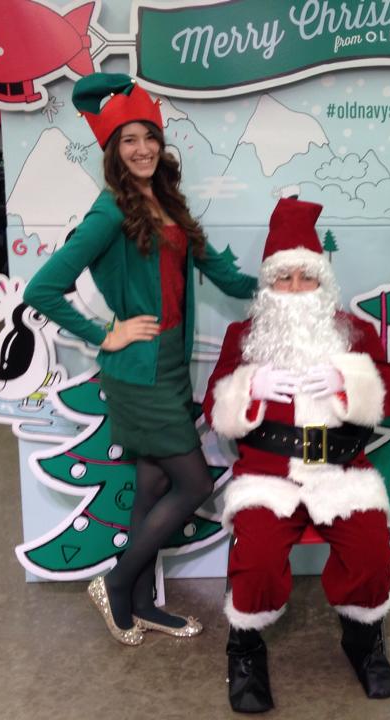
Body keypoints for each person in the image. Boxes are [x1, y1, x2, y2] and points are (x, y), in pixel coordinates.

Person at [24, 73, 257, 645]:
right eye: (128, 139)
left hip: (170, 368)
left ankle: (141, 603)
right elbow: (42, 289)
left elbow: (220, 274)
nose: (142, 148)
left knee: (152, 484)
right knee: (193, 484)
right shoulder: (109, 212)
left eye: (149, 136)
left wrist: (282, 288)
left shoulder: (168, 202)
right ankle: (116, 582)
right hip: (139, 374)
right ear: (113, 150)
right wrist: (105, 332)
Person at [203, 197, 390, 712]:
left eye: (306, 277)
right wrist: (248, 386)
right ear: (268, 286)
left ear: (322, 282)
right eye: (283, 279)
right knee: (257, 560)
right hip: (267, 474)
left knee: (371, 553)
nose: (295, 289)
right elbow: (212, 406)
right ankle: (245, 649)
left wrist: (348, 380)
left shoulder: (353, 332)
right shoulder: (244, 337)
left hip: (340, 471)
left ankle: (363, 641)